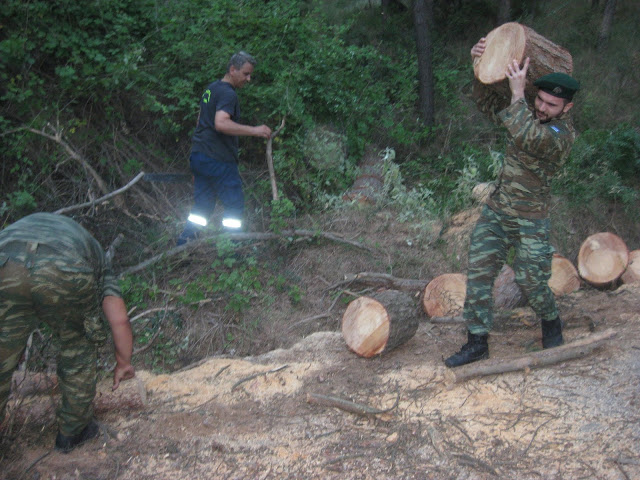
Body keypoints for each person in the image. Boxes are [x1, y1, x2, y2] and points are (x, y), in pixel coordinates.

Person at [444, 38, 580, 368]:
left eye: (551, 104)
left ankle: (551, 321)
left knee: (532, 281)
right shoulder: (525, 110)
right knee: (478, 272)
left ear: (566, 108)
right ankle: (476, 341)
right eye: (541, 100)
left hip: (531, 219)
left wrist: (519, 95)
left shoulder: (562, 135)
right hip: (498, 210)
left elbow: (528, 136)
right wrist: (481, 67)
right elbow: (487, 103)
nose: (543, 108)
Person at [0, 213, 135, 452]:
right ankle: (72, 432)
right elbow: (119, 318)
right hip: (64, 266)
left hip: (5, 259)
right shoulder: (92, 251)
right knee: (78, 346)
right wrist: (123, 363)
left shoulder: (24, 226)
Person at [177, 51, 272, 245]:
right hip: (218, 159)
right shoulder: (229, 94)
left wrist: (197, 160)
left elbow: (200, 122)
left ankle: (183, 246)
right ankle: (233, 250)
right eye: (245, 74)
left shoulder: (211, 89)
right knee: (234, 207)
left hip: (201, 156)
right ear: (232, 70)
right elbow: (220, 123)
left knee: (202, 207)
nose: (249, 79)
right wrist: (255, 130)